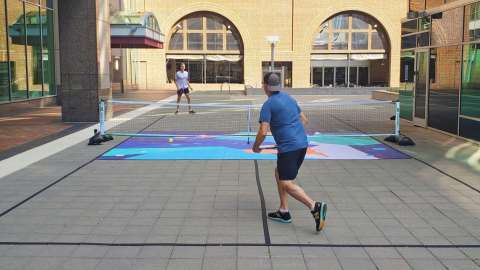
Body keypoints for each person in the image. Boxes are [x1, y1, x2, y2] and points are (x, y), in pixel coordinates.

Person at [252, 72, 327, 232]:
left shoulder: (268, 104)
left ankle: (314, 206)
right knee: (279, 173)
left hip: (289, 148)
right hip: (301, 144)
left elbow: (263, 131)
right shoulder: (289, 99)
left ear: (265, 86)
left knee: (286, 182)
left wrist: (256, 147)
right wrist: (289, 129)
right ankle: (284, 211)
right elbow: (303, 119)